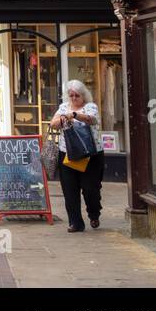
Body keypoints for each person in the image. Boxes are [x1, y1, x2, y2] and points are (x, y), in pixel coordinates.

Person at [50, 80, 103, 232]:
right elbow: (52, 124)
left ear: (83, 95)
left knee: (90, 189)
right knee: (69, 190)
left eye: (77, 95)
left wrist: (74, 115)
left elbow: (91, 119)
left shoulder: (91, 107)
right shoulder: (63, 107)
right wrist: (62, 118)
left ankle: (94, 214)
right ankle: (75, 222)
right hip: (67, 154)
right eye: (71, 95)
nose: (73, 98)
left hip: (90, 155)